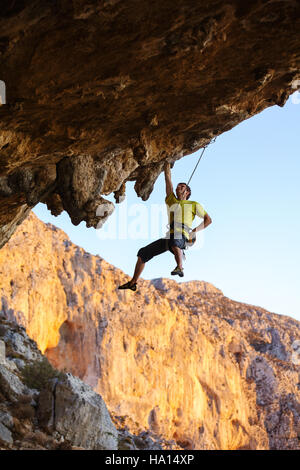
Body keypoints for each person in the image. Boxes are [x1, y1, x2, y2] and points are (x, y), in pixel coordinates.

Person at [118, 162, 212, 291]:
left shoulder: (194, 204)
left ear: (187, 192)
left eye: (182, 186)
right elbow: (168, 183)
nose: (179, 187)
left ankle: (180, 267)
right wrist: (166, 166)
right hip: (170, 236)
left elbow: (208, 220)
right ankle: (133, 282)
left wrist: (195, 231)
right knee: (143, 253)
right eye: (178, 186)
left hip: (183, 235)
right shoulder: (171, 200)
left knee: (175, 240)